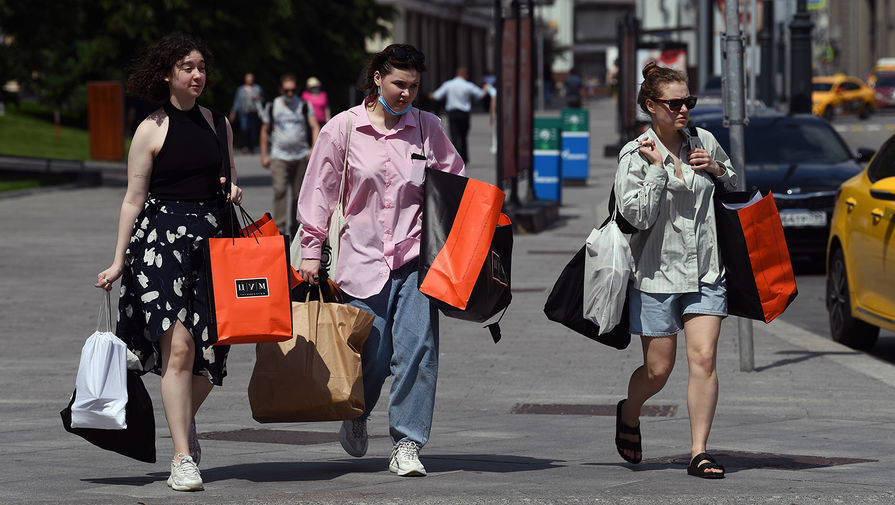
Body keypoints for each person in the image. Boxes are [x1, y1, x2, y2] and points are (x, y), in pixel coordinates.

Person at [296, 43, 464, 477]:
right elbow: (319, 193)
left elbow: (454, 183)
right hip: (360, 260)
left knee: (417, 352)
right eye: (399, 84)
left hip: (415, 260)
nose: (407, 94)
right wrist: (311, 251)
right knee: (373, 354)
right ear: (377, 79)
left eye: (414, 86)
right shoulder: (342, 129)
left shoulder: (427, 128)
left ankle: (407, 443)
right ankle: (356, 411)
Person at [95, 33, 243, 492]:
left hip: (213, 247)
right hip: (161, 246)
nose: (197, 75)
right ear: (167, 74)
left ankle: (184, 425)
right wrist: (118, 260)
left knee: (212, 360)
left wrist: (232, 190)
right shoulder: (151, 128)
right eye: (186, 67)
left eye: (200, 67)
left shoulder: (220, 124)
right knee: (178, 350)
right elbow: (132, 200)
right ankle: (183, 457)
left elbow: (230, 180)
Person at [612, 62, 736, 479]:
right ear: (652, 105)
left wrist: (717, 170)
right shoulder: (635, 153)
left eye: (689, 102)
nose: (684, 110)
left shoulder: (704, 141)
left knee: (703, 358)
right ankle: (629, 411)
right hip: (655, 274)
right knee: (657, 371)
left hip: (706, 270)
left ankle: (699, 451)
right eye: (675, 103)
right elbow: (637, 217)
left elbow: (735, 186)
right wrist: (658, 171)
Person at [260, 73, 321, 236]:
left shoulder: (304, 105)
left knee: (298, 195)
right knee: (280, 191)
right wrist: (264, 155)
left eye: (293, 90)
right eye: (286, 91)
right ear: (281, 90)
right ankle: (280, 230)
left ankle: (295, 230)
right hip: (279, 156)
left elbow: (315, 127)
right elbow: (265, 130)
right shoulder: (272, 106)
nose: (290, 94)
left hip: (300, 156)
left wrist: (313, 150)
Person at [429, 66, 489, 163]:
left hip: (452, 113)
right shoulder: (468, 85)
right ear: (465, 75)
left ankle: (455, 157)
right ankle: (464, 158)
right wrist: (486, 89)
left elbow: (436, 96)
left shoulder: (449, 84)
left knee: (454, 135)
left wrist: (429, 95)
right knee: (463, 136)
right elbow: (481, 95)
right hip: (464, 114)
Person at [229, 72, 263, 153]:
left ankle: (252, 147)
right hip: (244, 113)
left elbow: (262, 100)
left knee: (252, 130)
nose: (250, 80)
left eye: (251, 79)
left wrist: (259, 97)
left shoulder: (257, 88)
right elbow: (237, 102)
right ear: (245, 80)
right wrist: (233, 112)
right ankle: (245, 146)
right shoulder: (241, 89)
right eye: (248, 79)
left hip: (254, 113)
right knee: (244, 129)